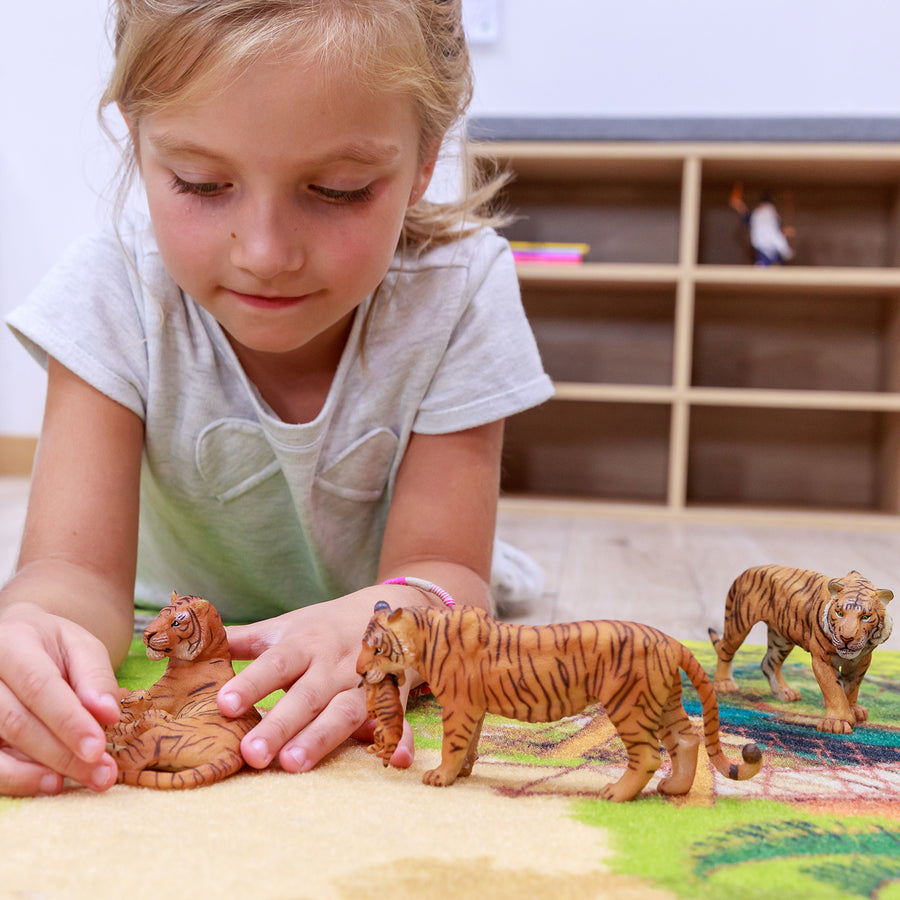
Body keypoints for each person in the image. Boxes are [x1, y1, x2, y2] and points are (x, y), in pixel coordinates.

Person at [0, 0, 553, 797]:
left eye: (337, 190)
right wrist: (35, 633)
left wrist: (390, 622)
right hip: (177, 630)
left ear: (427, 154)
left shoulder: (460, 291)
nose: (264, 254)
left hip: (390, 613)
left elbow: (445, 575)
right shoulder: (112, 289)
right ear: (136, 131)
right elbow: (68, 575)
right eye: (201, 183)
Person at [728, 182, 795, 266]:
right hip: (765, 249)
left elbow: (744, 213)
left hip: (770, 249)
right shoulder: (761, 214)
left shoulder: (768, 213)